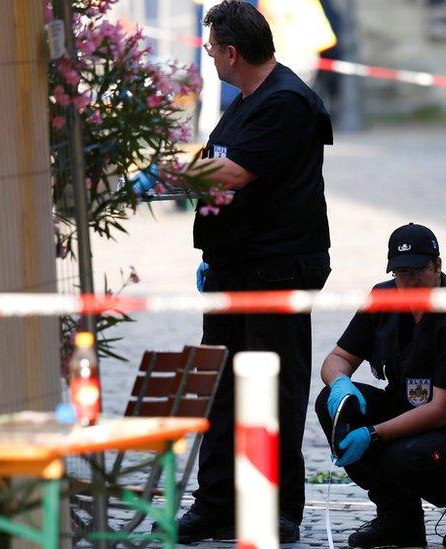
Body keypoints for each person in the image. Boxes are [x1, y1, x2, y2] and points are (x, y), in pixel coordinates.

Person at [172, 1, 333, 543]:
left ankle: (278, 506)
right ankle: (216, 502)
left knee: (274, 387)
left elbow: (235, 171)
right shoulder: (245, 100)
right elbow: (217, 157)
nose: (210, 57)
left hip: (276, 269)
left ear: (232, 52)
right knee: (220, 385)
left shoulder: (285, 101)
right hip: (233, 268)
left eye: (212, 48)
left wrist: (170, 175)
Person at [316, 223, 446, 549]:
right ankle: (399, 519)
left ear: (438, 266)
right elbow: (338, 357)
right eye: (402, 273)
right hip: (414, 410)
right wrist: (341, 383)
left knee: (404, 457)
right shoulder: (384, 297)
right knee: (331, 404)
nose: (410, 282)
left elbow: (442, 411)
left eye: (419, 271)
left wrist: (372, 434)